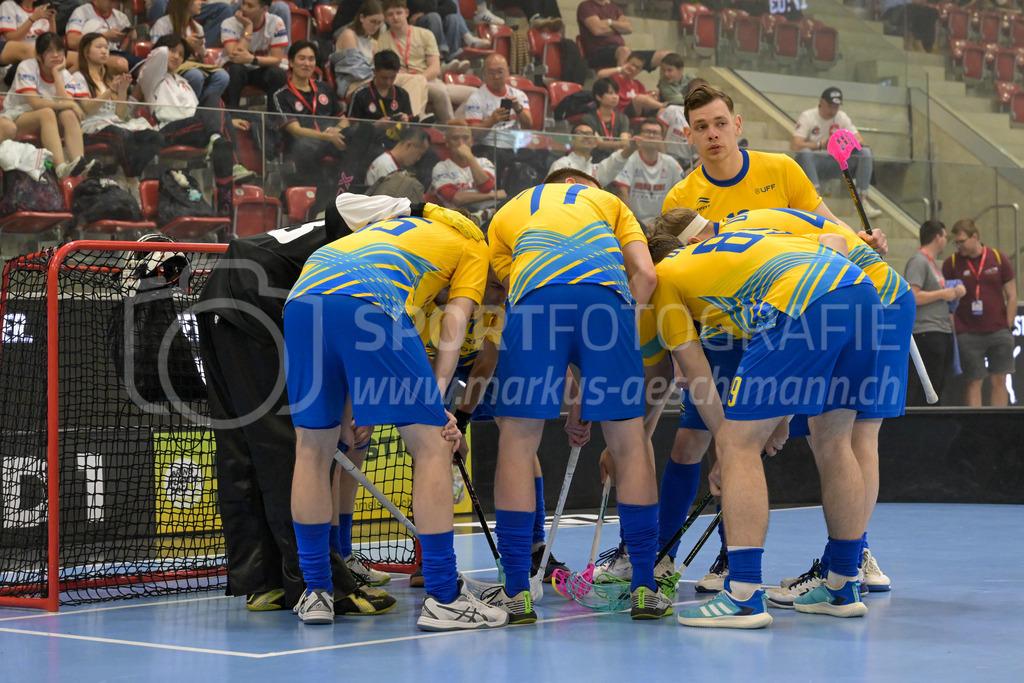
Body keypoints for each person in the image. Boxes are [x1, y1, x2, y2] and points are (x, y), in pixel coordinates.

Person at [656, 83, 886, 592]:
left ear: (737, 124)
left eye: (720, 123)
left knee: (741, 443)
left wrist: (858, 240)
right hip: (763, 316)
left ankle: (748, 586)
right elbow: (827, 238)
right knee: (714, 440)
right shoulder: (682, 199)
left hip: (787, 311)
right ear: (689, 137)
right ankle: (837, 578)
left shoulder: (780, 171)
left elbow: (826, 226)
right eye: (701, 128)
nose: (712, 134)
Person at [283, 197, 509, 632]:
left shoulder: (404, 225)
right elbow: (454, 323)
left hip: (303, 294)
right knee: (431, 447)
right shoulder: (472, 245)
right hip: (370, 299)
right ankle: (444, 596)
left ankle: (316, 592)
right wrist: (437, 400)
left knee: (312, 449)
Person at [646, 224, 881, 629]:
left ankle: (742, 596)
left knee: (737, 445)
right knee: (835, 440)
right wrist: (779, 420)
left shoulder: (662, 280)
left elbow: (697, 374)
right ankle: (843, 584)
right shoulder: (726, 254)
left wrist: (729, 447)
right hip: (860, 290)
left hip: (803, 299)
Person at [196, 193, 408, 616]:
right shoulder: (397, 236)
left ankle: (264, 579)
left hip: (226, 298)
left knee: (245, 447)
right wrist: (350, 409)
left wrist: (351, 409)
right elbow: (353, 332)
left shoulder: (369, 229)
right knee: (287, 447)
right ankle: (320, 585)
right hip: (256, 302)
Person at [483, 167, 670, 623]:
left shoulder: (510, 210)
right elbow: (645, 273)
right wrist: (619, 330)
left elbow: (515, 291)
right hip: (607, 300)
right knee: (629, 442)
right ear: (585, 189)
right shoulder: (608, 203)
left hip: (533, 301)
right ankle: (645, 583)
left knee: (517, 439)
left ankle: (515, 590)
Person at [139, 38, 251, 214]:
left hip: (193, 129)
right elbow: (158, 53)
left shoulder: (184, 82)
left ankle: (224, 211)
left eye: (181, 54)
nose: (176, 57)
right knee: (218, 131)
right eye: (172, 51)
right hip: (168, 130)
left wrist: (225, 120)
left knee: (215, 103)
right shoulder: (151, 76)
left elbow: (199, 111)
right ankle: (233, 162)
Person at [942, 218, 1017, 406]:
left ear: (974, 237)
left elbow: (1012, 294)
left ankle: (998, 426)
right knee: (974, 382)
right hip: (967, 332)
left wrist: (1008, 324)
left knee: (1000, 380)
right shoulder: (951, 263)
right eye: (955, 242)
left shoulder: (998, 259)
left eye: (961, 241)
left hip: (999, 330)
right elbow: (947, 299)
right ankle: (974, 428)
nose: (958, 246)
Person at [0, 32, 94, 179]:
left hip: (49, 121)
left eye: (59, 50)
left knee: (68, 114)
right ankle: (60, 168)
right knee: (47, 112)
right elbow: (35, 103)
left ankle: (79, 164)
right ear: (38, 55)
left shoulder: (65, 75)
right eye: (49, 51)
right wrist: (69, 104)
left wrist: (56, 74)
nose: (56, 55)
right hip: (17, 116)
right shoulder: (27, 67)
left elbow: (67, 104)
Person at [72, 32, 166, 179]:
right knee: (123, 136)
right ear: (86, 52)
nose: (104, 51)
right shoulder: (79, 77)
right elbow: (88, 108)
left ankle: (131, 174)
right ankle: (131, 178)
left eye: (106, 47)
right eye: (99, 47)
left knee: (155, 137)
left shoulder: (109, 78)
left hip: (113, 123)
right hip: (91, 127)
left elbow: (119, 115)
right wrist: (111, 90)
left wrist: (122, 91)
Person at [271, 40, 349, 211]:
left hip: (329, 140)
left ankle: (349, 185)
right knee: (303, 145)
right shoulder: (281, 95)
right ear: (290, 62)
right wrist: (327, 136)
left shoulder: (324, 88)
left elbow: (343, 119)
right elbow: (296, 131)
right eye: (302, 59)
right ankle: (323, 187)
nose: (307, 63)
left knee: (360, 134)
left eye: (311, 59)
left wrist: (339, 129)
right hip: (304, 144)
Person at [376, 0, 475, 123]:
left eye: (398, 13)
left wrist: (419, 80)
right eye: (390, 14)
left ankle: (452, 125)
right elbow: (385, 70)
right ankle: (451, 127)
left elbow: (435, 68)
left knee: (474, 93)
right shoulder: (381, 40)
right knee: (440, 92)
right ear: (385, 18)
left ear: (406, 13)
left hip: (428, 80)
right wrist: (415, 81)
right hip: (403, 84)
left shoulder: (425, 34)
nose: (395, 17)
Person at [791, 87, 881, 219]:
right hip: (814, 162)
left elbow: (860, 139)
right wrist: (820, 145)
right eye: (830, 106)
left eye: (836, 107)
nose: (833, 110)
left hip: (836, 161)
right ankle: (815, 200)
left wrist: (845, 142)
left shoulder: (841, 117)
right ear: (821, 102)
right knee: (805, 153)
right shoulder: (808, 116)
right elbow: (795, 145)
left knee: (865, 152)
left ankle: (862, 201)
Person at [904, 219, 966, 406]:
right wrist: (942, 293)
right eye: (946, 236)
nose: (946, 241)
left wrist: (954, 292)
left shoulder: (933, 264)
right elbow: (912, 296)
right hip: (926, 332)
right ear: (937, 237)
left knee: (938, 384)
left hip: (940, 330)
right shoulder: (918, 261)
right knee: (926, 388)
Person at [149, 0, 229, 111]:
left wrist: (200, 51)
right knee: (195, 75)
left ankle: (203, 109)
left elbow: (202, 56)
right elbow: (156, 52)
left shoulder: (197, 27)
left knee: (222, 77)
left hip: (194, 64)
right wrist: (184, 43)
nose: (201, 2)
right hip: (171, 66)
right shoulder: (162, 24)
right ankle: (190, 112)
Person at [610, 118, 682, 228]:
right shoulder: (628, 159)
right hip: (634, 224)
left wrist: (669, 224)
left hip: (664, 225)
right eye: (647, 132)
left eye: (655, 133)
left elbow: (682, 195)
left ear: (662, 138)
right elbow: (622, 192)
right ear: (638, 136)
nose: (651, 136)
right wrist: (633, 224)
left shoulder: (671, 163)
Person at [219, 0, 289, 111]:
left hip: (259, 68)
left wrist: (252, 59)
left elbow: (277, 60)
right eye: (243, 3)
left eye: (250, 6)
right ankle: (232, 116)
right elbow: (235, 56)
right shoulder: (229, 23)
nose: (244, 8)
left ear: (264, 9)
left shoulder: (276, 22)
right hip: (236, 69)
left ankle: (275, 120)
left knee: (277, 74)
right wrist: (248, 28)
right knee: (235, 69)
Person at [430, 119, 505, 218]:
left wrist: (469, 157)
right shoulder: (441, 167)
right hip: (458, 217)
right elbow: (456, 198)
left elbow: (486, 187)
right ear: (447, 143)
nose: (461, 143)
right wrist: (492, 195)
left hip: (490, 215)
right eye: (455, 138)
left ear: (472, 141)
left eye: (465, 138)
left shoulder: (484, 162)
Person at [575, 0, 666, 71]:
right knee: (624, 51)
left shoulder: (614, 8)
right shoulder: (586, 6)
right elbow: (597, 30)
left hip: (619, 51)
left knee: (664, 56)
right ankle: (621, 87)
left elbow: (629, 28)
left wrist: (609, 22)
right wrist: (618, 26)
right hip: (598, 52)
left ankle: (667, 91)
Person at [546, 121, 633, 188]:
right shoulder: (561, 165)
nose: (586, 137)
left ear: (595, 143)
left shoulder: (595, 171)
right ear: (572, 141)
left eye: (589, 134)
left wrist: (632, 148)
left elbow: (616, 161)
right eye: (580, 133)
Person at [65, 0, 139, 73]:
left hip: (119, 54)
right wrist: (105, 36)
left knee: (146, 66)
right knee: (121, 64)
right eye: (111, 1)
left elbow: (127, 52)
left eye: (117, 2)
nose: (114, 5)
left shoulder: (121, 17)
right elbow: (72, 41)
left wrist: (131, 40)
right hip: (91, 54)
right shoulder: (81, 12)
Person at [602, 51, 662, 118]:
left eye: (637, 68)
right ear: (626, 62)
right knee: (639, 98)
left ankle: (665, 108)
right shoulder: (615, 78)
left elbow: (645, 100)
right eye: (632, 65)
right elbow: (601, 74)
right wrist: (621, 69)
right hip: (621, 111)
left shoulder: (638, 84)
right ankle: (666, 106)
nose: (633, 69)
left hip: (637, 111)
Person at [365, 125, 429, 185]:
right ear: (408, 145)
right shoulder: (386, 166)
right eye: (419, 153)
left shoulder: (391, 163)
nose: (418, 158)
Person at [583, 77, 630, 154]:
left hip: (617, 157)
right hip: (596, 158)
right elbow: (600, 144)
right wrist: (620, 143)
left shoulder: (623, 118)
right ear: (598, 97)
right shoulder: (588, 119)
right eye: (610, 93)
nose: (615, 97)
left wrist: (622, 143)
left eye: (616, 93)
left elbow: (624, 141)